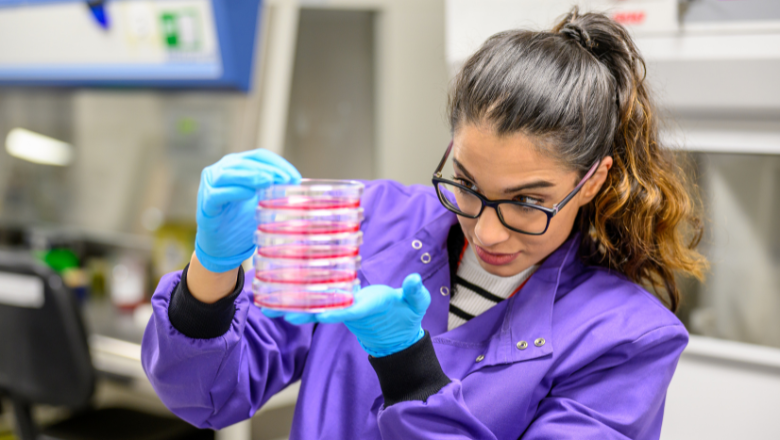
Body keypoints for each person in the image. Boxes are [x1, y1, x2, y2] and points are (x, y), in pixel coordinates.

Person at [142, 9, 707, 439]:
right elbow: (207, 395)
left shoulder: (625, 339)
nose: (486, 232)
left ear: (594, 181)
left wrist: (407, 366)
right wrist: (211, 273)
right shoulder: (368, 221)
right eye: (466, 184)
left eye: (528, 203)